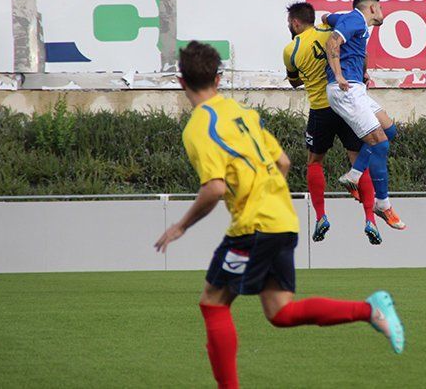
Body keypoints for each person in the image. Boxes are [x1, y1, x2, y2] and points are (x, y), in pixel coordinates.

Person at [154, 41, 404, 389]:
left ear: (182, 82)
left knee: (213, 302)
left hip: (254, 225)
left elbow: (213, 189)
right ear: (220, 77)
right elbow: (283, 162)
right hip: (283, 219)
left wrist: (180, 226)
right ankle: (370, 309)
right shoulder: (240, 113)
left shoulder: (198, 126)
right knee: (280, 312)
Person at [282, 2, 382, 245]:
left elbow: (294, 82)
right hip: (346, 103)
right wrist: (362, 73)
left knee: (314, 162)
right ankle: (370, 219)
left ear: (295, 23)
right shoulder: (329, 31)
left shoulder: (291, 49)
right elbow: (361, 53)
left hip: (321, 108)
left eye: (289, 24)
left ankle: (321, 216)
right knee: (357, 162)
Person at [323, 0, 405, 231]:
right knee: (380, 144)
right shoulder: (356, 19)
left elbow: (328, 18)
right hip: (346, 90)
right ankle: (383, 204)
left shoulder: (350, 20)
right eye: (379, 7)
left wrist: (363, 71)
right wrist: (338, 74)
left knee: (389, 130)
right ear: (371, 8)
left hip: (356, 87)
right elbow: (332, 42)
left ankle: (355, 174)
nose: (382, 12)